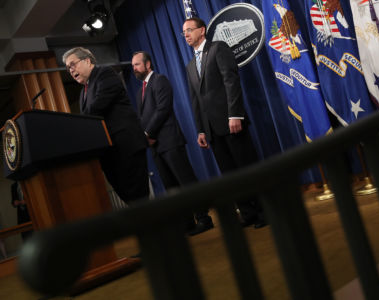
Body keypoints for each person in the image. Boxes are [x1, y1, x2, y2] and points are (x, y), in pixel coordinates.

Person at [183, 17, 265, 228]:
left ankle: (265, 211)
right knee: (230, 176)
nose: (186, 34)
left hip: (231, 122)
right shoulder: (190, 65)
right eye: (184, 32)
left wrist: (235, 114)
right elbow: (195, 100)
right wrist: (201, 129)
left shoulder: (218, 48)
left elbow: (231, 80)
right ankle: (247, 213)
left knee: (248, 169)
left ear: (202, 31)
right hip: (211, 130)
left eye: (189, 30)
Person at [131, 51, 213, 235]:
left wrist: (148, 132)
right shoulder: (139, 91)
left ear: (148, 64)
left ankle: (204, 218)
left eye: (137, 64)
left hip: (169, 140)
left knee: (186, 182)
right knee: (171, 186)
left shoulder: (159, 80)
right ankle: (186, 222)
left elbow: (163, 109)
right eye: (133, 66)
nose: (134, 69)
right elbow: (143, 117)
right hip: (155, 146)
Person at [62, 47, 149, 205]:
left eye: (72, 64)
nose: (70, 70)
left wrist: (74, 126)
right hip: (110, 154)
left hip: (126, 147)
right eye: (68, 68)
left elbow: (96, 108)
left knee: (139, 198)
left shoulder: (105, 74)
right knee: (130, 200)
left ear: (87, 61)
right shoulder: (83, 93)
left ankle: (161, 228)